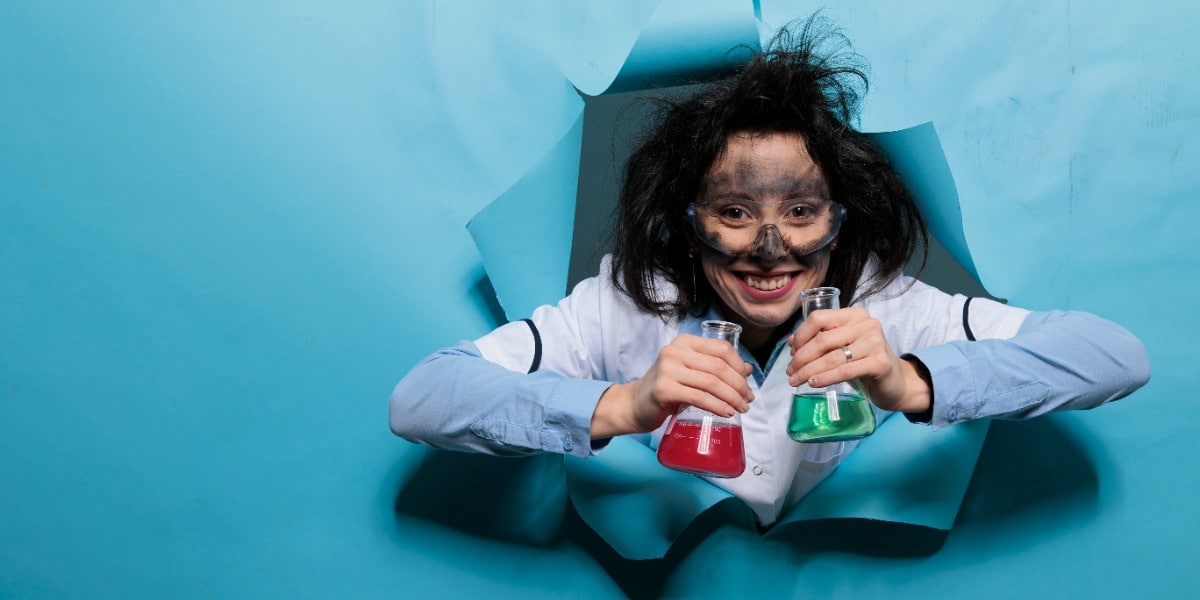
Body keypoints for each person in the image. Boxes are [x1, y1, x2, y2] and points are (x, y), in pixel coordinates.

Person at [389, 18, 1150, 527]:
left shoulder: (887, 307)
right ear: (688, 220)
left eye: (800, 211)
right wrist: (622, 403)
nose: (768, 247)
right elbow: (421, 399)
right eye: (733, 211)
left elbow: (1115, 356)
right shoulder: (617, 307)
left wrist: (911, 382)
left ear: (839, 219)